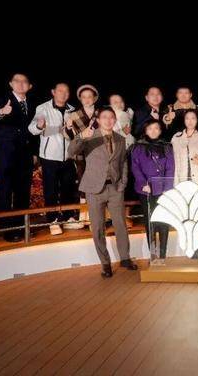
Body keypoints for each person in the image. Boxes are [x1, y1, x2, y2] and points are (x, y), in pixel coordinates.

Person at [68, 107, 138, 277]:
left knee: (120, 225)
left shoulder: (121, 139)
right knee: (98, 227)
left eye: (111, 117)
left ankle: (125, 258)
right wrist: (80, 137)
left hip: (115, 188)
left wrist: (122, 184)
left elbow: (123, 163)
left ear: (115, 120)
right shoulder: (90, 136)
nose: (108, 120)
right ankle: (105, 263)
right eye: (104, 117)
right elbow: (71, 152)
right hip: (94, 188)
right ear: (98, 120)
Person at [28, 82, 80, 235]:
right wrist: (39, 125)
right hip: (49, 156)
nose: (63, 94)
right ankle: (53, 220)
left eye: (66, 91)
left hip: (68, 156)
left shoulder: (72, 110)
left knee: (68, 188)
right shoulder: (43, 108)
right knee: (51, 190)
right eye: (60, 91)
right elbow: (32, 129)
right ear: (53, 92)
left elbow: (76, 132)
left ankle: (68, 217)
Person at [0, 73, 35, 242]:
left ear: (30, 86)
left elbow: (33, 131)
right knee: (5, 191)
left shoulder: (32, 103)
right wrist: (1, 112)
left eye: (24, 81)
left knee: (23, 191)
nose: (20, 83)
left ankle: (21, 226)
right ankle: (7, 229)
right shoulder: (3, 100)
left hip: (25, 154)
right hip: (6, 154)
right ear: (11, 84)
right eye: (17, 81)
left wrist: (34, 153)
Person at [171, 109, 198, 257]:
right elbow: (173, 162)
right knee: (187, 216)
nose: (190, 121)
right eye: (187, 118)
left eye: (193, 118)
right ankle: (189, 246)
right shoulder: (176, 138)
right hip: (183, 182)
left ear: (197, 120)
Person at [131, 119, 175, 261]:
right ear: (145, 130)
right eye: (150, 128)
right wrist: (143, 183)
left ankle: (162, 255)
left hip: (163, 191)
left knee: (164, 221)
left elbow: (170, 168)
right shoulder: (138, 147)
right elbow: (135, 167)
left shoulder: (167, 147)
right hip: (146, 190)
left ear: (160, 130)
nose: (153, 131)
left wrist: (167, 188)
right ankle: (153, 255)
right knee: (150, 222)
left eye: (156, 128)